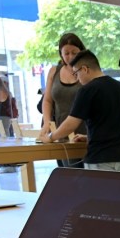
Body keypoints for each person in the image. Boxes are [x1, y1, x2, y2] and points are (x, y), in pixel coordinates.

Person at [39, 50, 120, 172]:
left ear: (85, 69)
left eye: (76, 73)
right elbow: (119, 121)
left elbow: (71, 123)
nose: (77, 79)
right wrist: (89, 136)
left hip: (101, 157)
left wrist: (51, 137)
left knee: (98, 192)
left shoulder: (88, 90)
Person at [40, 32, 87, 167]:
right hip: (61, 131)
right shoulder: (54, 71)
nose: (70, 56)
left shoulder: (86, 71)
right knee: (65, 173)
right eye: (66, 53)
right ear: (61, 53)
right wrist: (47, 122)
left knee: (83, 176)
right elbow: (47, 100)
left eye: (74, 52)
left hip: (83, 131)